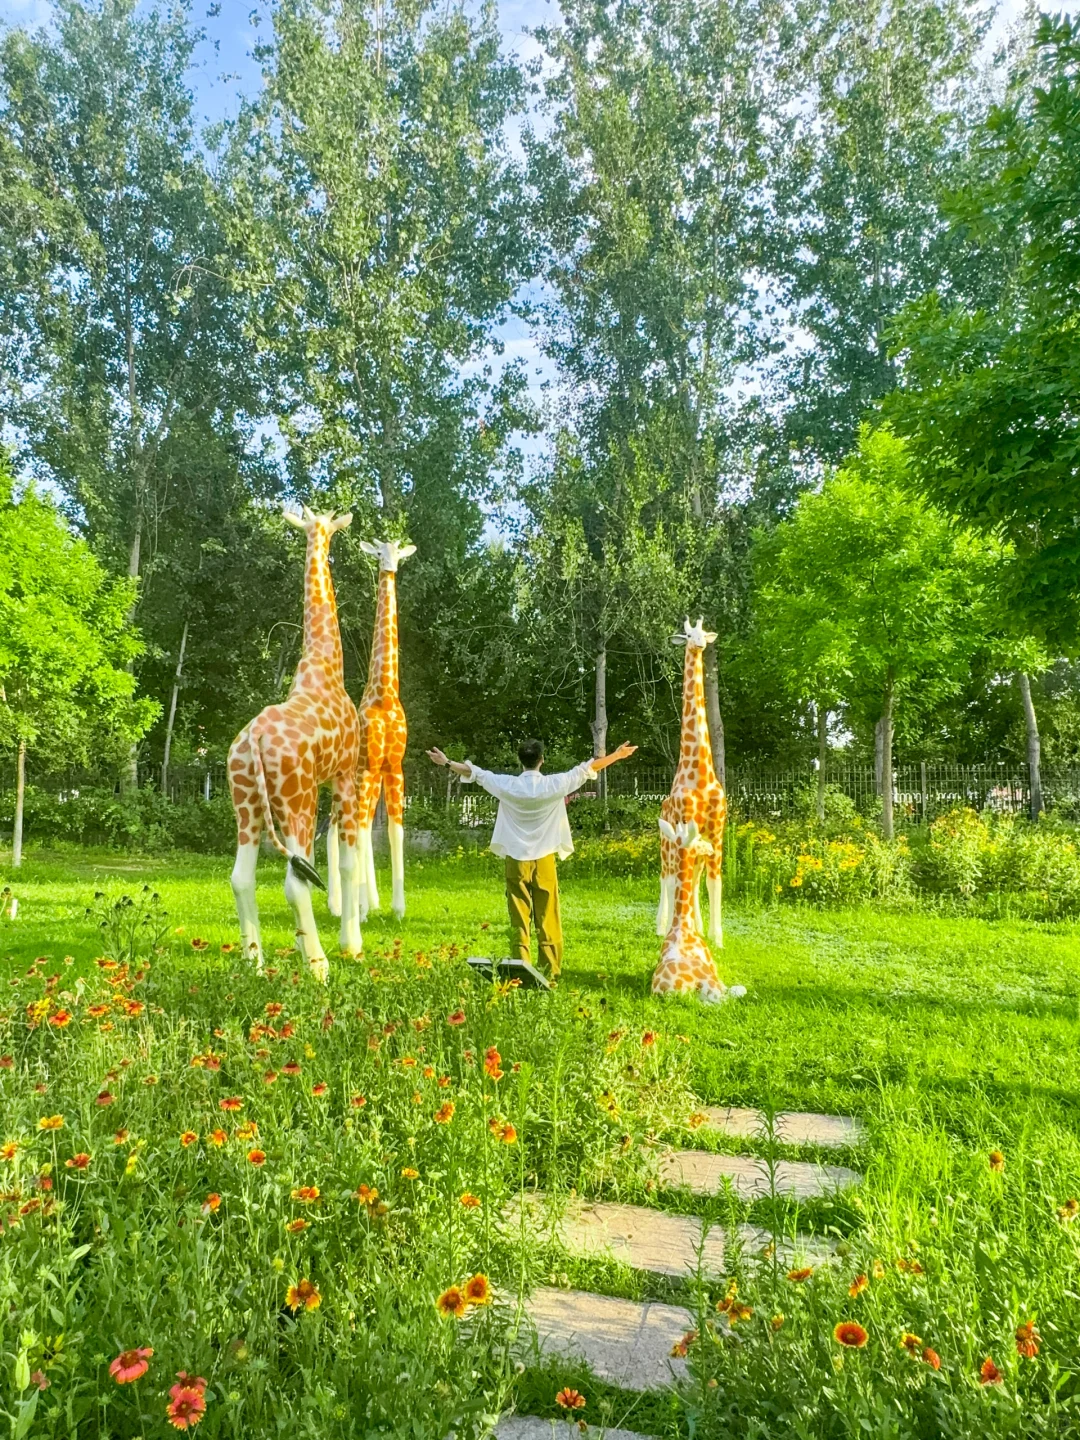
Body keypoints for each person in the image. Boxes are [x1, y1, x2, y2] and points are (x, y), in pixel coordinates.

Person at [426, 738, 637, 981]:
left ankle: (521, 971)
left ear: (520, 761)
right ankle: (551, 971)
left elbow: (475, 773)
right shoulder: (554, 784)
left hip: (516, 860)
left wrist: (446, 762)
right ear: (542, 760)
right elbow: (589, 768)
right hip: (544, 859)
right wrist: (617, 755)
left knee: (518, 916)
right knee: (548, 915)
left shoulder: (507, 785)